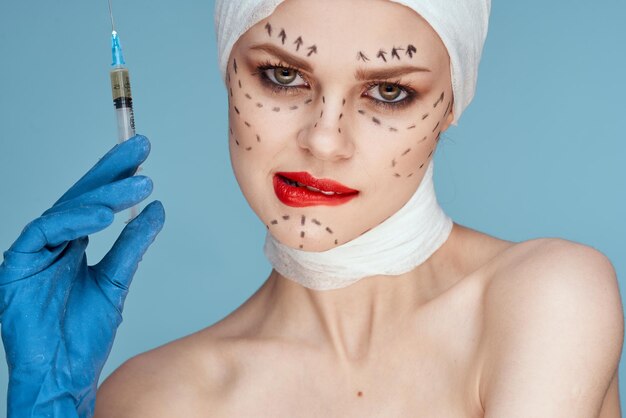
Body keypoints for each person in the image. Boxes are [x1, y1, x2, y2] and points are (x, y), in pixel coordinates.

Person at [0, 0, 622, 417]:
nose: (324, 138)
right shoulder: (155, 399)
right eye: (280, 76)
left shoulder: (546, 298)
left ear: (453, 102)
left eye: (388, 91)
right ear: (228, 70)